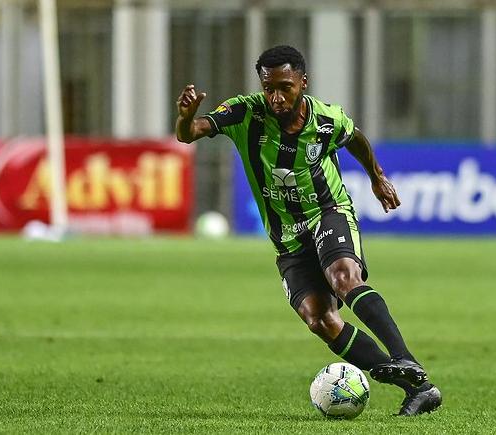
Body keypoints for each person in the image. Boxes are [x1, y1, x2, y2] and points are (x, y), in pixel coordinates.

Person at [175, 45, 441, 416]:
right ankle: (419, 389)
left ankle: (404, 357)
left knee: (343, 277)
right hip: (286, 236)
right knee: (320, 319)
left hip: (327, 212)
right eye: (269, 88)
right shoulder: (245, 112)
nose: (276, 97)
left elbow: (356, 139)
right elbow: (190, 134)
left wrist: (377, 177)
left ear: (303, 82)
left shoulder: (328, 119)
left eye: (285, 87)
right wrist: (186, 118)